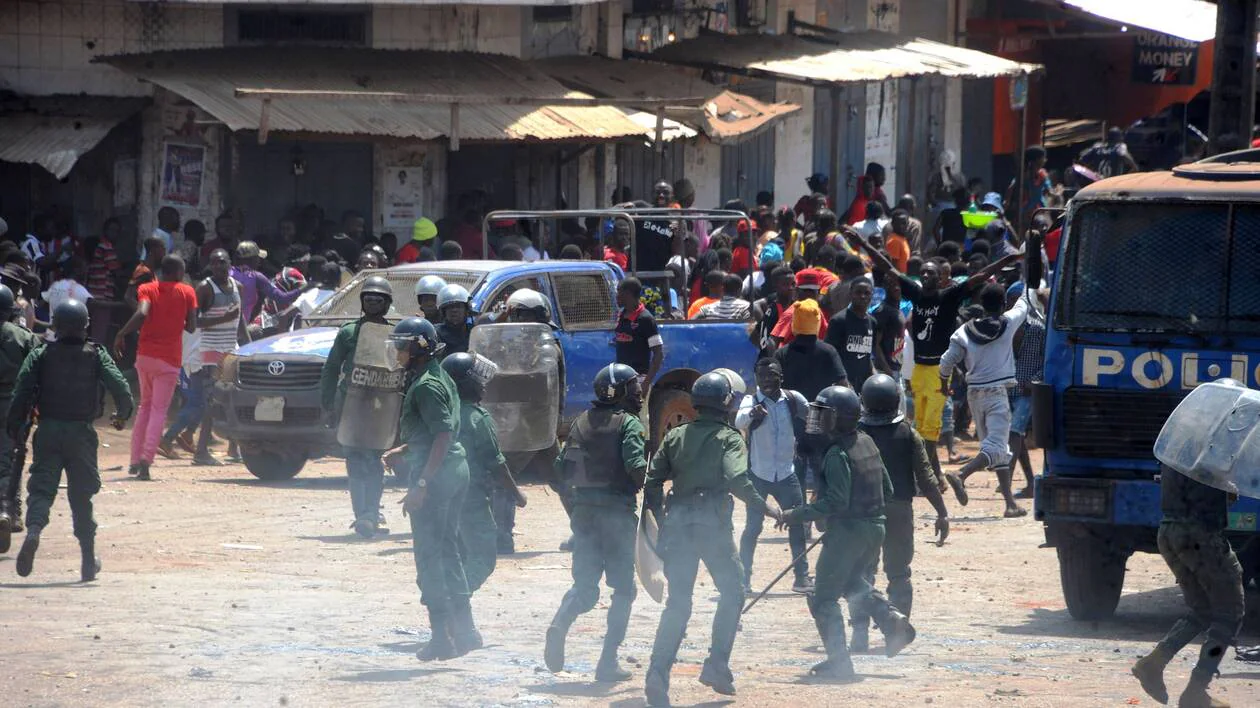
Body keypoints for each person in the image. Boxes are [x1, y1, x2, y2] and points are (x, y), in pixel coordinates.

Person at [643, 372, 782, 705]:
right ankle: (717, 665)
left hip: (677, 525)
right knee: (733, 590)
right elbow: (736, 477)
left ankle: (656, 676)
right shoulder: (729, 438)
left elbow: (652, 481)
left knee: (678, 603)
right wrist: (767, 506)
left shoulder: (675, 436)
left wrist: (660, 522)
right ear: (726, 404)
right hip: (712, 527)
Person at [850, 232, 1022, 488]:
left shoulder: (949, 296)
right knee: (921, 427)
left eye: (932, 273)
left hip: (938, 372)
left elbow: (981, 276)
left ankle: (924, 479)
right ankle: (937, 477)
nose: (927, 276)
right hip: (919, 371)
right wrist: (862, 242)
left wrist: (1007, 258)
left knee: (929, 431)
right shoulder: (916, 294)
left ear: (942, 278)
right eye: (925, 273)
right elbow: (886, 266)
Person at [777, 385, 916, 680]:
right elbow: (888, 489)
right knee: (852, 583)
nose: (818, 419)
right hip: (875, 528)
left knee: (822, 598)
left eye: (824, 414)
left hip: (849, 532)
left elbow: (835, 502)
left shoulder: (837, 454)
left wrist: (796, 514)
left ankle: (840, 663)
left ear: (840, 418)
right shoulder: (866, 441)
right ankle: (891, 620)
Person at [11, 300, 131, 581]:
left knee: (41, 489)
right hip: (81, 434)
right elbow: (121, 389)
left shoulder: (41, 354)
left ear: (54, 326)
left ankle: (35, 532)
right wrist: (121, 415)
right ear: (85, 325)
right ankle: (88, 560)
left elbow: (21, 390)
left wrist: (14, 426)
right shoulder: (96, 355)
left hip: (49, 430)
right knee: (81, 496)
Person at [382, 317, 479, 660]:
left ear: (419, 348)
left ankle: (442, 638)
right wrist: (403, 450)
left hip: (436, 478)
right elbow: (437, 429)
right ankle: (466, 632)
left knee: (430, 558)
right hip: (453, 471)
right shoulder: (439, 376)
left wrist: (421, 484)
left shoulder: (425, 385)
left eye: (402, 345)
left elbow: (442, 435)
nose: (397, 350)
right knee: (449, 550)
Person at [545, 363, 648, 681]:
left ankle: (561, 622)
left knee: (585, 587)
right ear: (620, 392)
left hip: (584, 515)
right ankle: (607, 663)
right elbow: (636, 468)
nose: (639, 393)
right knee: (623, 589)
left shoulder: (580, 423)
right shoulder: (629, 425)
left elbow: (561, 471)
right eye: (634, 387)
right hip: (617, 515)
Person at [1130, 463, 1243, 708]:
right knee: (1229, 613)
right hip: (1200, 534)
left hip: (1170, 531)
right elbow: (1217, 488)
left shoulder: (1181, 441)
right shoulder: (1213, 444)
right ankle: (1196, 691)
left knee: (1202, 609)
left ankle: (1153, 663)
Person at [850, 374, 949, 651]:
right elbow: (927, 478)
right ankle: (895, 633)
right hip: (899, 511)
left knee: (860, 573)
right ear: (896, 401)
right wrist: (942, 512)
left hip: (863, 513)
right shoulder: (908, 433)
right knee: (899, 574)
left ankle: (859, 634)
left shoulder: (855, 434)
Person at [938, 282, 1031, 518]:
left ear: (981, 303)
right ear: (1002, 304)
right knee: (997, 446)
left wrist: (943, 383)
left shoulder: (964, 332)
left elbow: (947, 361)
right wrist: (1028, 277)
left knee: (993, 447)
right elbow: (1024, 302)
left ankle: (1010, 504)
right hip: (997, 393)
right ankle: (961, 474)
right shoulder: (1008, 323)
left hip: (974, 395)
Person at [440, 353, 526, 598]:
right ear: (467, 384)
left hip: (445, 495)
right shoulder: (479, 419)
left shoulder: (445, 414)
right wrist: (516, 493)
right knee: (483, 558)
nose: (484, 385)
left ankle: (448, 610)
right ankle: (454, 603)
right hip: (473, 499)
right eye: (479, 380)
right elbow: (496, 463)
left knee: (456, 556)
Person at [320, 276, 396, 538]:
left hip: (382, 406)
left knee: (374, 460)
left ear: (387, 304)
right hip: (351, 403)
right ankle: (363, 514)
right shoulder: (348, 332)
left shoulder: (395, 334)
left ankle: (372, 512)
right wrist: (327, 404)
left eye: (379, 298)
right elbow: (331, 369)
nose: (373, 302)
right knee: (354, 459)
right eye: (369, 297)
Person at [158, 249, 244, 465]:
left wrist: (248, 346)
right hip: (207, 353)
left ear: (230, 264)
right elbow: (192, 323)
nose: (219, 267)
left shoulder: (237, 287)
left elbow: (239, 320)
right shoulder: (205, 289)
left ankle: (231, 447)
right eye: (214, 263)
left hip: (229, 351)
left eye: (223, 262)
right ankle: (198, 450)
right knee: (209, 402)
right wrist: (225, 318)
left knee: (228, 399)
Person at [114, 256, 197, 481]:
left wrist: (121, 333)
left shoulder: (147, 288)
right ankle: (146, 460)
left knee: (145, 407)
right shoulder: (187, 292)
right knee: (159, 410)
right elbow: (191, 326)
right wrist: (176, 321)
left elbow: (142, 313)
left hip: (145, 357)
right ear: (179, 271)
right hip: (169, 360)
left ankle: (133, 459)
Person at [734, 359, 811, 594]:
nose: (767, 380)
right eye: (762, 376)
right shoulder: (751, 401)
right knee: (752, 528)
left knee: (797, 524)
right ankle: (743, 579)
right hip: (759, 475)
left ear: (781, 377)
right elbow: (739, 421)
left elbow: (813, 416)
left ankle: (802, 579)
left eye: (772, 376)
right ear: (756, 379)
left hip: (787, 474)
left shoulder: (793, 399)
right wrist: (752, 415)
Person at [0, 285, 37, 550]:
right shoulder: (23, 337)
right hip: (12, 407)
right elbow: (36, 374)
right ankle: (8, 512)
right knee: (10, 459)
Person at [232, 241, 306, 328]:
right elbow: (282, 298)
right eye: (258, 258)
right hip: (239, 328)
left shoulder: (226, 273)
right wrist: (305, 288)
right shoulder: (256, 277)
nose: (260, 261)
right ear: (251, 259)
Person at [825, 278, 877, 391]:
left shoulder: (872, 322)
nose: (862, 296)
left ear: (872, 295)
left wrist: (875, 378)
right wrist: (842, 381)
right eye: (858, 292)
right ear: (851, 293)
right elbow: (830, 355)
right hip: (842, 386)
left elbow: (867, 356)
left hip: (863, 386)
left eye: (866, 293)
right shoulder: (839, 321)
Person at [613, 277, 663, 388]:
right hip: (620, 379)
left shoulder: (646, 319)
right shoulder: (621, 316)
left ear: (628, 294)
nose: (616, 296)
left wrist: (645, 384)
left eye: (618, 292)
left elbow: (658, 354)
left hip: (638, 381)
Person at [770, 269, 830, 346]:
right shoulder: (791, 314)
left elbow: (826, 336)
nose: (809, 295)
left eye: (812, 291)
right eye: (805, 291)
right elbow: (773, 341)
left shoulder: (817, 311)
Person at [750, 265, 794, 358]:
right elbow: (757, 337)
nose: (790, 288)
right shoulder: (773, 311)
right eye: (786, 284)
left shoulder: (797, 305)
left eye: (793, 284)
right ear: (776, 286)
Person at [86, 218, 123, 300]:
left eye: (117, 231)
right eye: (112, 230)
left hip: (94, 292)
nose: (114, 233)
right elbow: (116, 272)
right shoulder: (107, 247)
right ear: (105, 231)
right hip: (103, 293)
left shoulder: (101, 246)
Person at [435, 284, 473, 356]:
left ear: (467, 310)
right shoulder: (436, 333)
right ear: (443, 311)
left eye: (458, 306)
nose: (454, 310)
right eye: (450, 307)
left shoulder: (474, 332)